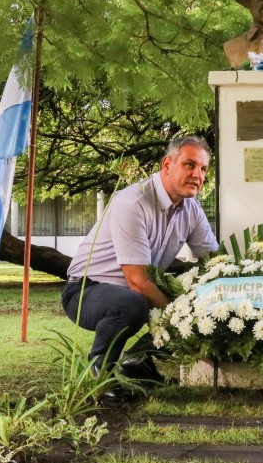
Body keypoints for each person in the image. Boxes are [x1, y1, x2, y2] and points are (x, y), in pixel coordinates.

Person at [61, 135, 218, 390]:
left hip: (133, 291)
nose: (198, 175)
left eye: (203, 169)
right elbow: (137, 281)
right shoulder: (132, 202)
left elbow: (214, 264)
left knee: (196, 297)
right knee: (133, 303)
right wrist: (185, 330)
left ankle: (138, 360)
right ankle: (99, 375)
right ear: (167, 165)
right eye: (190, 165)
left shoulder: (192, 209)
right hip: (86, 291)